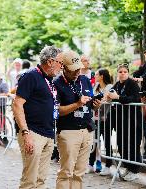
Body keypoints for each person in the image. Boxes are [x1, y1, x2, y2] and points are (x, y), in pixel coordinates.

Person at [12, 46, 63, 189]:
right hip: (33, 133)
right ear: (51, 61)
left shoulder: (49, 79)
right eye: (60, 63)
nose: (62, 67)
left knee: (41, 180)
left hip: (47, 133)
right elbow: (17, 105)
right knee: (30, 180)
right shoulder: (31, 75)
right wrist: (26, 133)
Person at [54, 50, 101, 189]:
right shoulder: (57, 83)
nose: (76, 72)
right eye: (73, 70)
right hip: (68, 131)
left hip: (86, 129)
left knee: (79, 172)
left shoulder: (85, 80)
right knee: (66, 172)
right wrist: (77, 104)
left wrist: (96, 105)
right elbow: (57, 110)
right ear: (64, 67)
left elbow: (91, 103)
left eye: (78, 69)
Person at [100, 64, 142, 181]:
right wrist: (109, 98)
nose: (122, 73)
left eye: (124, 72)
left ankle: (135, 170)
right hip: (120, 122)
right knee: (121, 145)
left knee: (133, 146)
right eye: (120, 72)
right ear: (117, 73)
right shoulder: (117, 84)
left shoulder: (132, 84)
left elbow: (134, 99)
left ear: (128, 73)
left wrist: (118, 97)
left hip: (132, 121)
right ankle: (128, 167)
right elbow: (112, 97)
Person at [87, 68, 113, 173]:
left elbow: (107, 100)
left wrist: (99, 102)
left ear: (102, 76)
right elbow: (93, 99)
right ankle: (90, 163)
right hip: (96, 118)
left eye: (97, 74)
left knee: (107, 141)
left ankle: (108, 165)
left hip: (106, 118)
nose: (95, 76)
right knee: (94, 141)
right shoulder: (96, 86)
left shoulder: (110, 87)